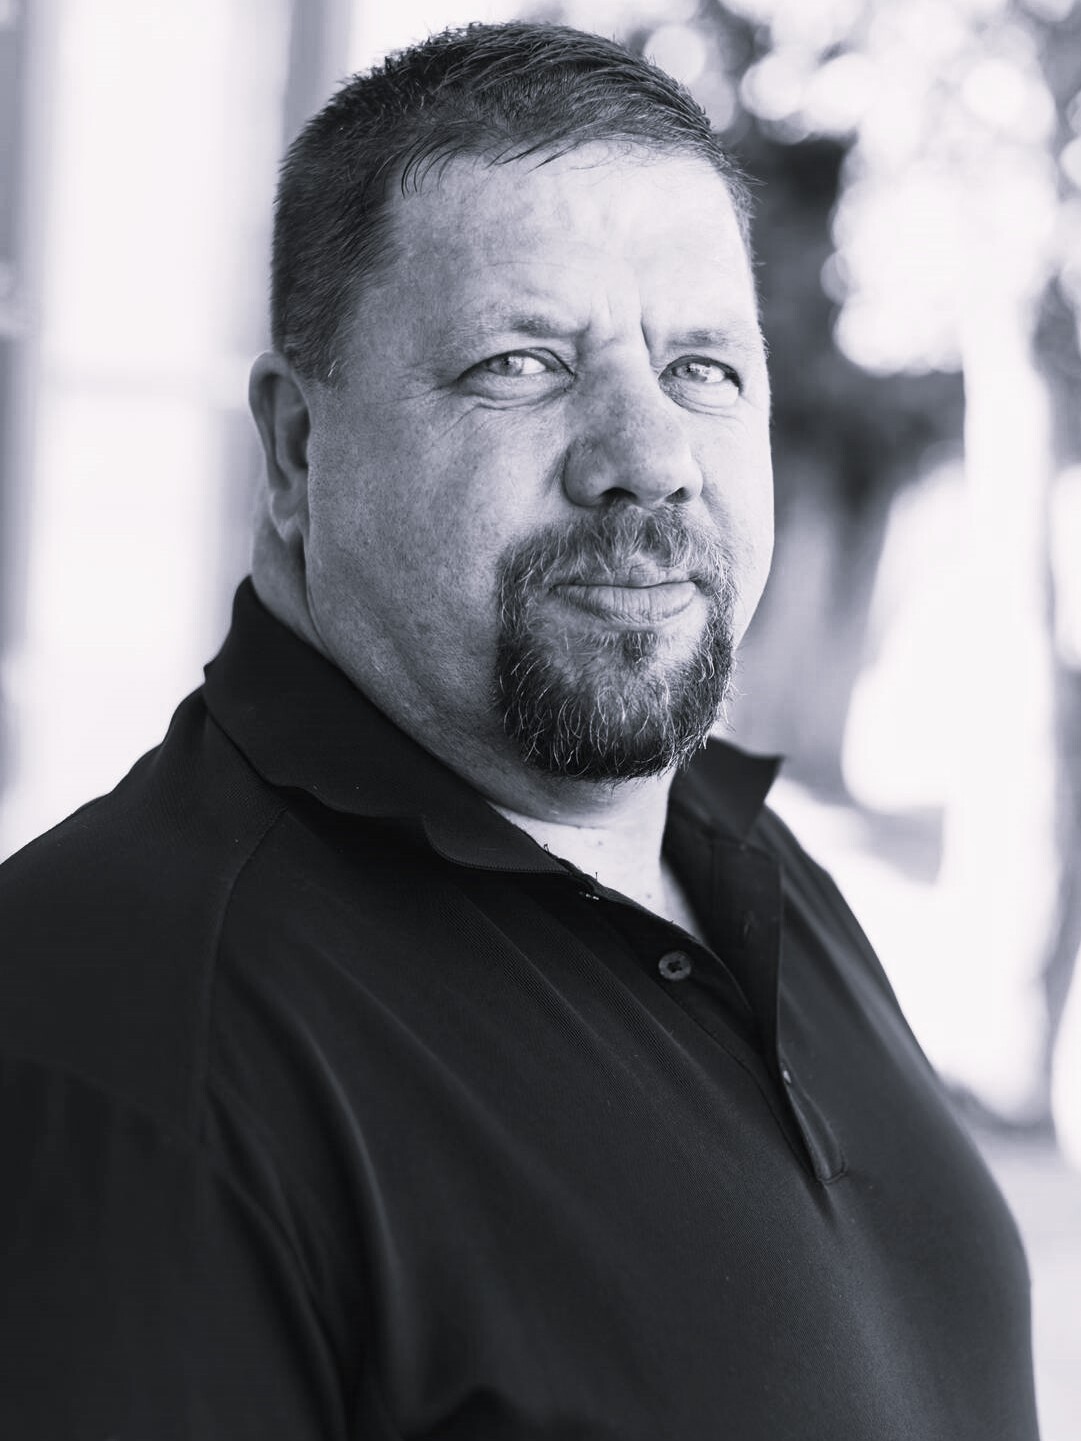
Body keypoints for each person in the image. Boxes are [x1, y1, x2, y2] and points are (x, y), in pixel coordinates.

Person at [0, 21, 1040, 1440]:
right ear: (299, 450)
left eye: (701, 369)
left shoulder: (748, 860)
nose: (647, 457)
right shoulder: (115, 1027)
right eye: (520, 363)